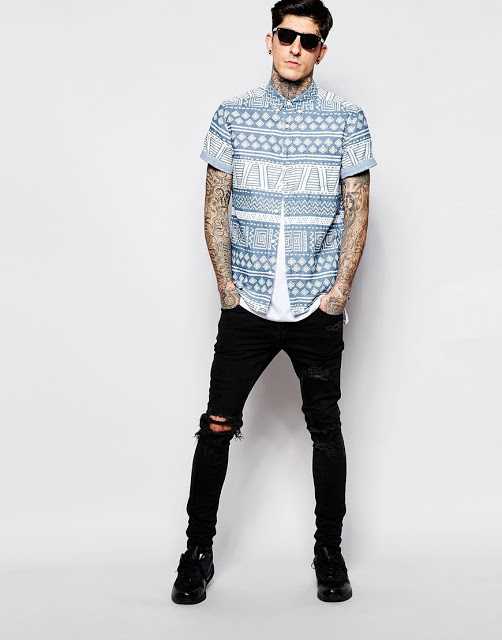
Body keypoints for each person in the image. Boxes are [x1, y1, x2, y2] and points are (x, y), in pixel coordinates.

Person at [172, 0, 377, 605]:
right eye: (286, 35)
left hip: (316, 305)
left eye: (308, 41)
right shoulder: (232, 115)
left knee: (326, 430)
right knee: (216, 425)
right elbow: (215, 201)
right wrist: (226, 288)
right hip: (248, 303)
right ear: (269, 40)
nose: (295, 48)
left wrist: (339, 293)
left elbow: (358, 209)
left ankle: (328, 552)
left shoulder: (347, 120)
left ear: (321, 51)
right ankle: (197, 552)